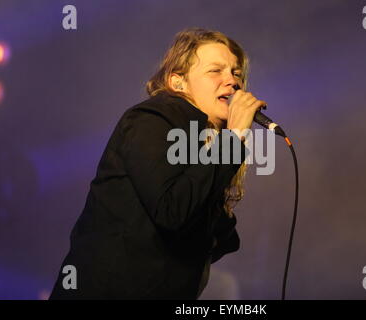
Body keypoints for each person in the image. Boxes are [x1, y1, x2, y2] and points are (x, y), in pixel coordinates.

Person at [49, 28, 266, 299]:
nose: (232, 82)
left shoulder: (205, 144)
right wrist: (232, 140)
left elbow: (218, 239)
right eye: (215, 71)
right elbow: (171, 210)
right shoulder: (150, 120)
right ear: (178, 82)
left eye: (236, 73)